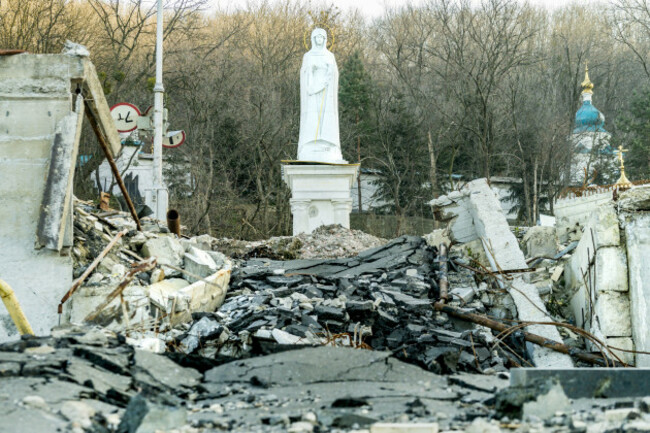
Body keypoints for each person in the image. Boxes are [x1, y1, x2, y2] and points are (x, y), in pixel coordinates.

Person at [297, 27, 344, 162]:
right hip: (312, 90)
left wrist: (329, 71)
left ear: (325, 40)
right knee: (313, 115)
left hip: (326, 91)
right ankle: (311, 141)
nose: (319, 40)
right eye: (316, 37)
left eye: (321, 38)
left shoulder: (330, 56)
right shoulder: (308, 56)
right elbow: (303, 74)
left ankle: (327, 141)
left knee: (325, 115)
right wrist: (310, 70)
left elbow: (335, 73)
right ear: (313, 39)